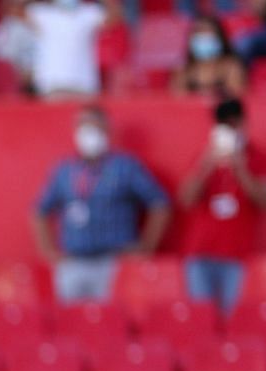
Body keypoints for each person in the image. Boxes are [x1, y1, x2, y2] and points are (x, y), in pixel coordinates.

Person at [31, 106, 169, 303]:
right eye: (84, 128)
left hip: (115, 261)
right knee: (72, 324)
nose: (89, 135)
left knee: (113, 322)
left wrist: (146, 247)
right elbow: (40, 211)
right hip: (74, 261)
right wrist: (49, 252)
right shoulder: (64, 170)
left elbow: (159, 203)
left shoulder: (125, 166)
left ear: (107, 131)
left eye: (95, 128)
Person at [178, 98, 266, 313]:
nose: (230, 130)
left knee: (234, 320)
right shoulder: (205, 159)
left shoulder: (261, 159)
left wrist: (241, 169)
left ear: (243, 123)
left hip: (238, 256)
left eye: (233, 124)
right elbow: (186, 199)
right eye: (224, 126)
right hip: (200, 254)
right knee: (201, 320)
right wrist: (206, 165)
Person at [19, 0, 121, 99]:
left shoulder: (89, 12)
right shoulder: (41, 13)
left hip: (84, 86)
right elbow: (15, 10)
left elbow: (114, 17)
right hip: (52, 86)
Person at [172, 15, 247, 98]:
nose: (203, 36)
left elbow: (238, 95)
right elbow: (176, 100)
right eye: (199, 31)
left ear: (219, 37)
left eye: (208, 31)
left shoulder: (231, 67)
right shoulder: (183, 69)